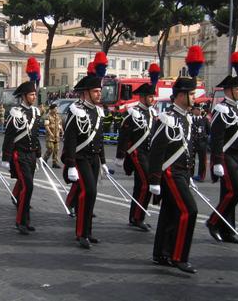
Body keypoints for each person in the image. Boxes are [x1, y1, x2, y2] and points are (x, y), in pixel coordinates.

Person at [149, 76, 198, 274]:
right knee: (189, 211)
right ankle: (179, 256)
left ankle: (161, 253)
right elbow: (156, 150)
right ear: (180, 95)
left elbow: (187, 149)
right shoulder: (167, 118)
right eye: (192, 94)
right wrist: (154, 179)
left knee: (170, 212)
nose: (194, 97)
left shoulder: (185, 117)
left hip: (181, 173)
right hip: (170, 173)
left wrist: (189, 174)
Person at [62, 51, 109, 249]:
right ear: (85, 93)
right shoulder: (76, 110)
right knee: (87, 191)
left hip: (94, 159)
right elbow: (71, 139)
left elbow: (99, 139)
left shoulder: (98, 111)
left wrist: (104, 162)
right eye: (96, 91)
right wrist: (70, 164)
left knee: (93, 193)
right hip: (80, 158)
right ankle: (81, 233)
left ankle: (88, 231)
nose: (99, 94)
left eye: (100, 91)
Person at [207, 72, 238, 245]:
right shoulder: (221, 109)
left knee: (227, 194)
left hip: (235, 157)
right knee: (235, 192)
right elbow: (217, 138)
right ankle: (213, 221)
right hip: (225, 157)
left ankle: (228, 230)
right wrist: (217, 161)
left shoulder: (236, 108)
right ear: (229, 91)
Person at [116, 81, 157, 231]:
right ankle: (138, 217)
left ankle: (134, 216)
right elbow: (124, 136)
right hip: (136, 153)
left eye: (153, 96)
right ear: (142, 97)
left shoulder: (153, 113)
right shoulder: (133, 113)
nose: (153, 99)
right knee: (146, 184)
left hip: (149, 153)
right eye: (150, 97)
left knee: (140, 186)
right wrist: (120, 156)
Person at [1, 80, 41, 235]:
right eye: (31, 94)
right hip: (20, 155)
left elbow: (35, 135)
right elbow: (9, 136)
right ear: (24, 96)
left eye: (34, 94)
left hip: (31, 154)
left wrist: (38, 154)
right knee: (28, 186)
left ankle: (26, 220)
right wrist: (6, 157)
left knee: (27, 187)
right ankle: (20, 221)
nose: (34, 97)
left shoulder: (36, 113)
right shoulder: (16, 113)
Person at [191, 104, 210, 182]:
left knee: (202, 160)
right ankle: (190, 175)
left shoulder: (204, 119)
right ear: (193, 110)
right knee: (191, 160)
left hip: (202, 142)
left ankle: (201, 176)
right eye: (196, 109)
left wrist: (205, 138)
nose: (198, 111)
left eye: (199, 109)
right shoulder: (190, 119)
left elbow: (208, 130)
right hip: (192, 142)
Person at [43, 104, 63, 168]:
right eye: (55, 109)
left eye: (56, 108)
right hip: (50, 136)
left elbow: (60, 125)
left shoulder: (58, 116)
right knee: (50, 149)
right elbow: (46, 126)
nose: (56, 110)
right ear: (51, 109)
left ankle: (55, 163)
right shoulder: (48, 116)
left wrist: (62, 131)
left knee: (56, 150)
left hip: (56, 136)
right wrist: (50, 133)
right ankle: (44, 159)